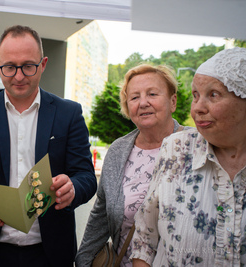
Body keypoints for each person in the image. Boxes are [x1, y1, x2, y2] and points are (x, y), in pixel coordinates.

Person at [0, 25, 97, 267]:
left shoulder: (68, 113)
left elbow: (86, 177)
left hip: (49, 253)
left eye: (28, 66)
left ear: (43, 64)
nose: (19, 76)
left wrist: (73, 188)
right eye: (10, 67)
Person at [131, 47, 246, 266]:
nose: (198, 108)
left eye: (214, 95)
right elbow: (145, 238)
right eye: (195, 96)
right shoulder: (176, 149)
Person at [76, 64, 188, 267]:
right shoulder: (119, 150)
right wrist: (83, 260)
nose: (143, 103)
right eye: (135, 97)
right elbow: (101, 213)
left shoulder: (196, 146)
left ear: (172, 101)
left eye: (152, 94)